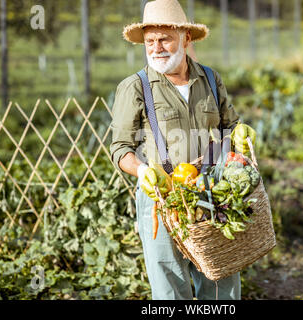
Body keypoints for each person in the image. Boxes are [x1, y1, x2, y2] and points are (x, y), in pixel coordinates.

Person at [109, 0, 256, 300]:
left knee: (221, 284)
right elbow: (120, 148)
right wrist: (142, 171)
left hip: (214, 193)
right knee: (170, 290)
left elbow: (230, 125)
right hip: (162, 196)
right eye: (150, 41)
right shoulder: (135, 87)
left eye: (165, 38)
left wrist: (240, 132)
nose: (156, 47)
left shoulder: (211, 79)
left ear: (186, 38)